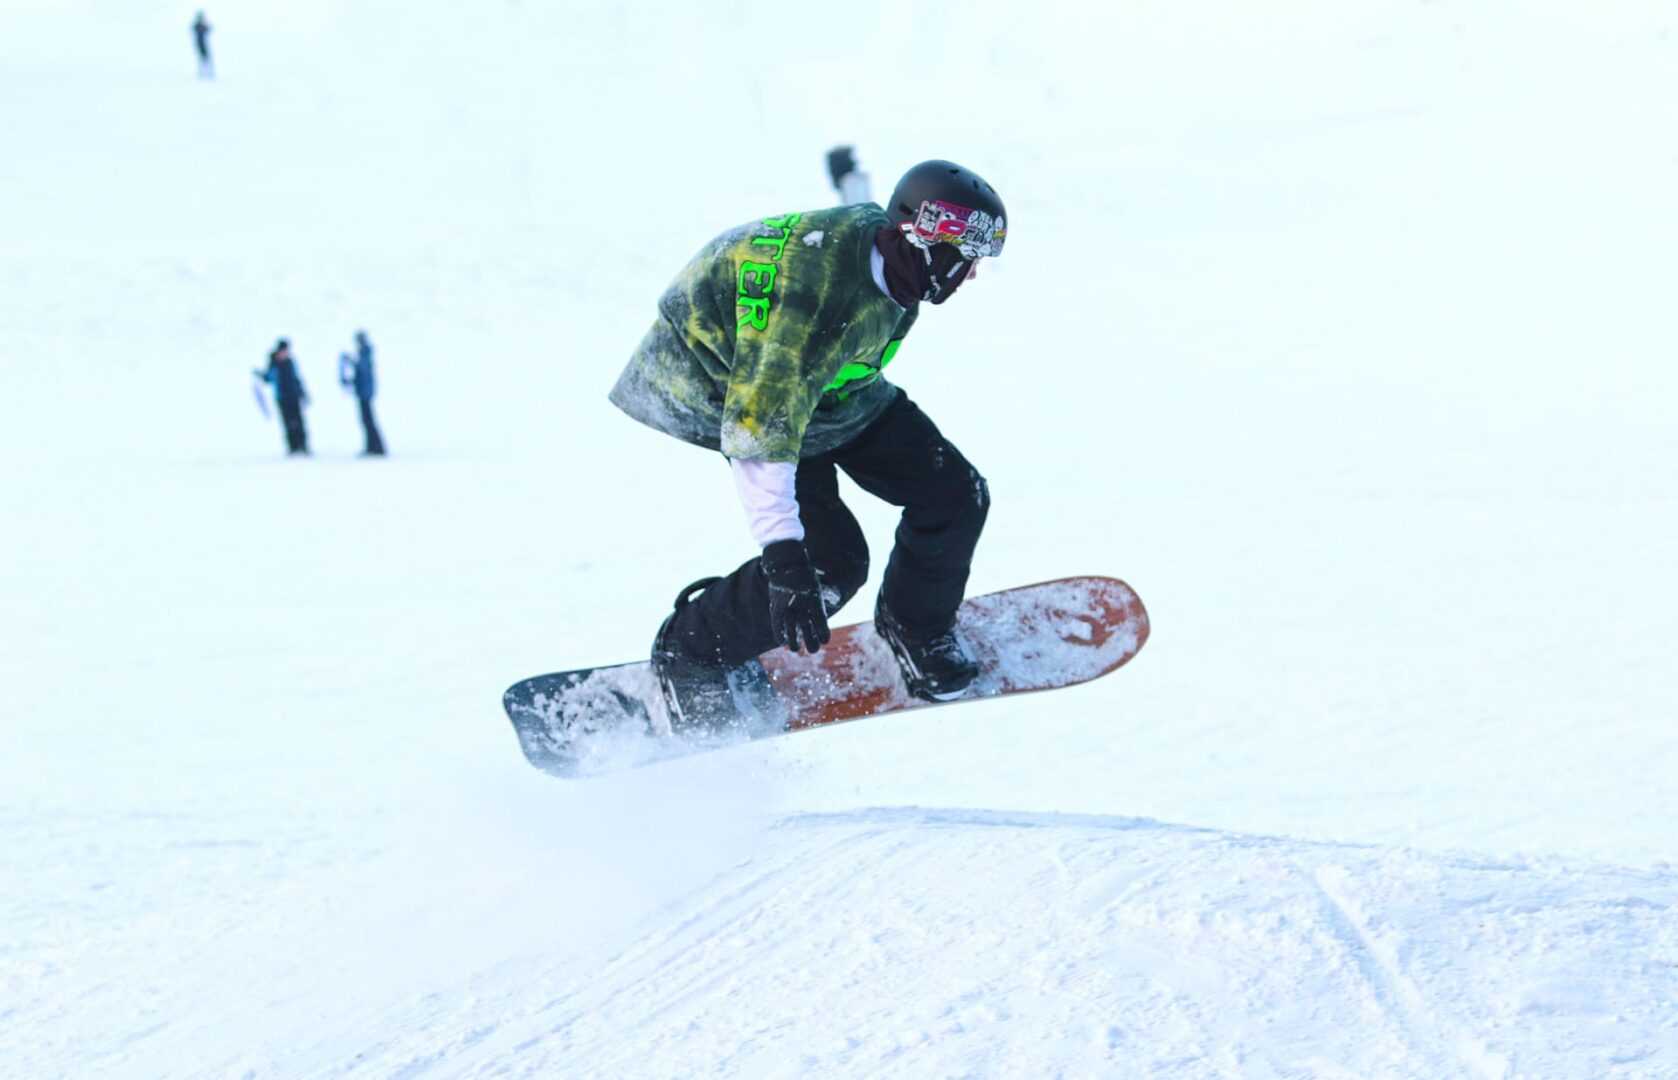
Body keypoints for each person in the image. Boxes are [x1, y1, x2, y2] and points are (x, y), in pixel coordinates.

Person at [608, 159, 1007, 727]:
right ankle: (692, 651)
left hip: (832, 389)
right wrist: (784, 559)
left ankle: (914, 627)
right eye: (966, 257)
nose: (969, 275)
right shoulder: (813, 304)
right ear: (926, 241)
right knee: (831, 562)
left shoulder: (893, 256)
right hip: (727, 384)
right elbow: (759, 429)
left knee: (953, 495)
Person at [256, 338, 309, 454]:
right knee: (288, 423)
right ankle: (293, 447)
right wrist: (259, 375)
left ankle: (303, 446)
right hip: (283, 398)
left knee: (299, 422)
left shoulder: (290, 362)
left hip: (294, 396)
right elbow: (268, 378)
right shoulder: (274, 364)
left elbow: (297, 379)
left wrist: (303, 393)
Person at [338, 330, 385, 456]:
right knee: (366, 420)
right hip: (363, 391)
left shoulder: (365, 353)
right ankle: (372, 446)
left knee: (367, 420)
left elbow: (362, 370)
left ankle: (376, 447)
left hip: (364, 392)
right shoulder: (365, 353)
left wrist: (351, 362)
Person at [192, 12, 213, 79]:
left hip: (204, 43)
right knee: (202, 58)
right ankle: (202, 72)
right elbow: (195, 30)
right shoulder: (196, 25)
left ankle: (208, 72)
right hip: (199, 43)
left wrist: (205, 27)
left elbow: (208, 29)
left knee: (207, 57)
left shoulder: (203, 25)